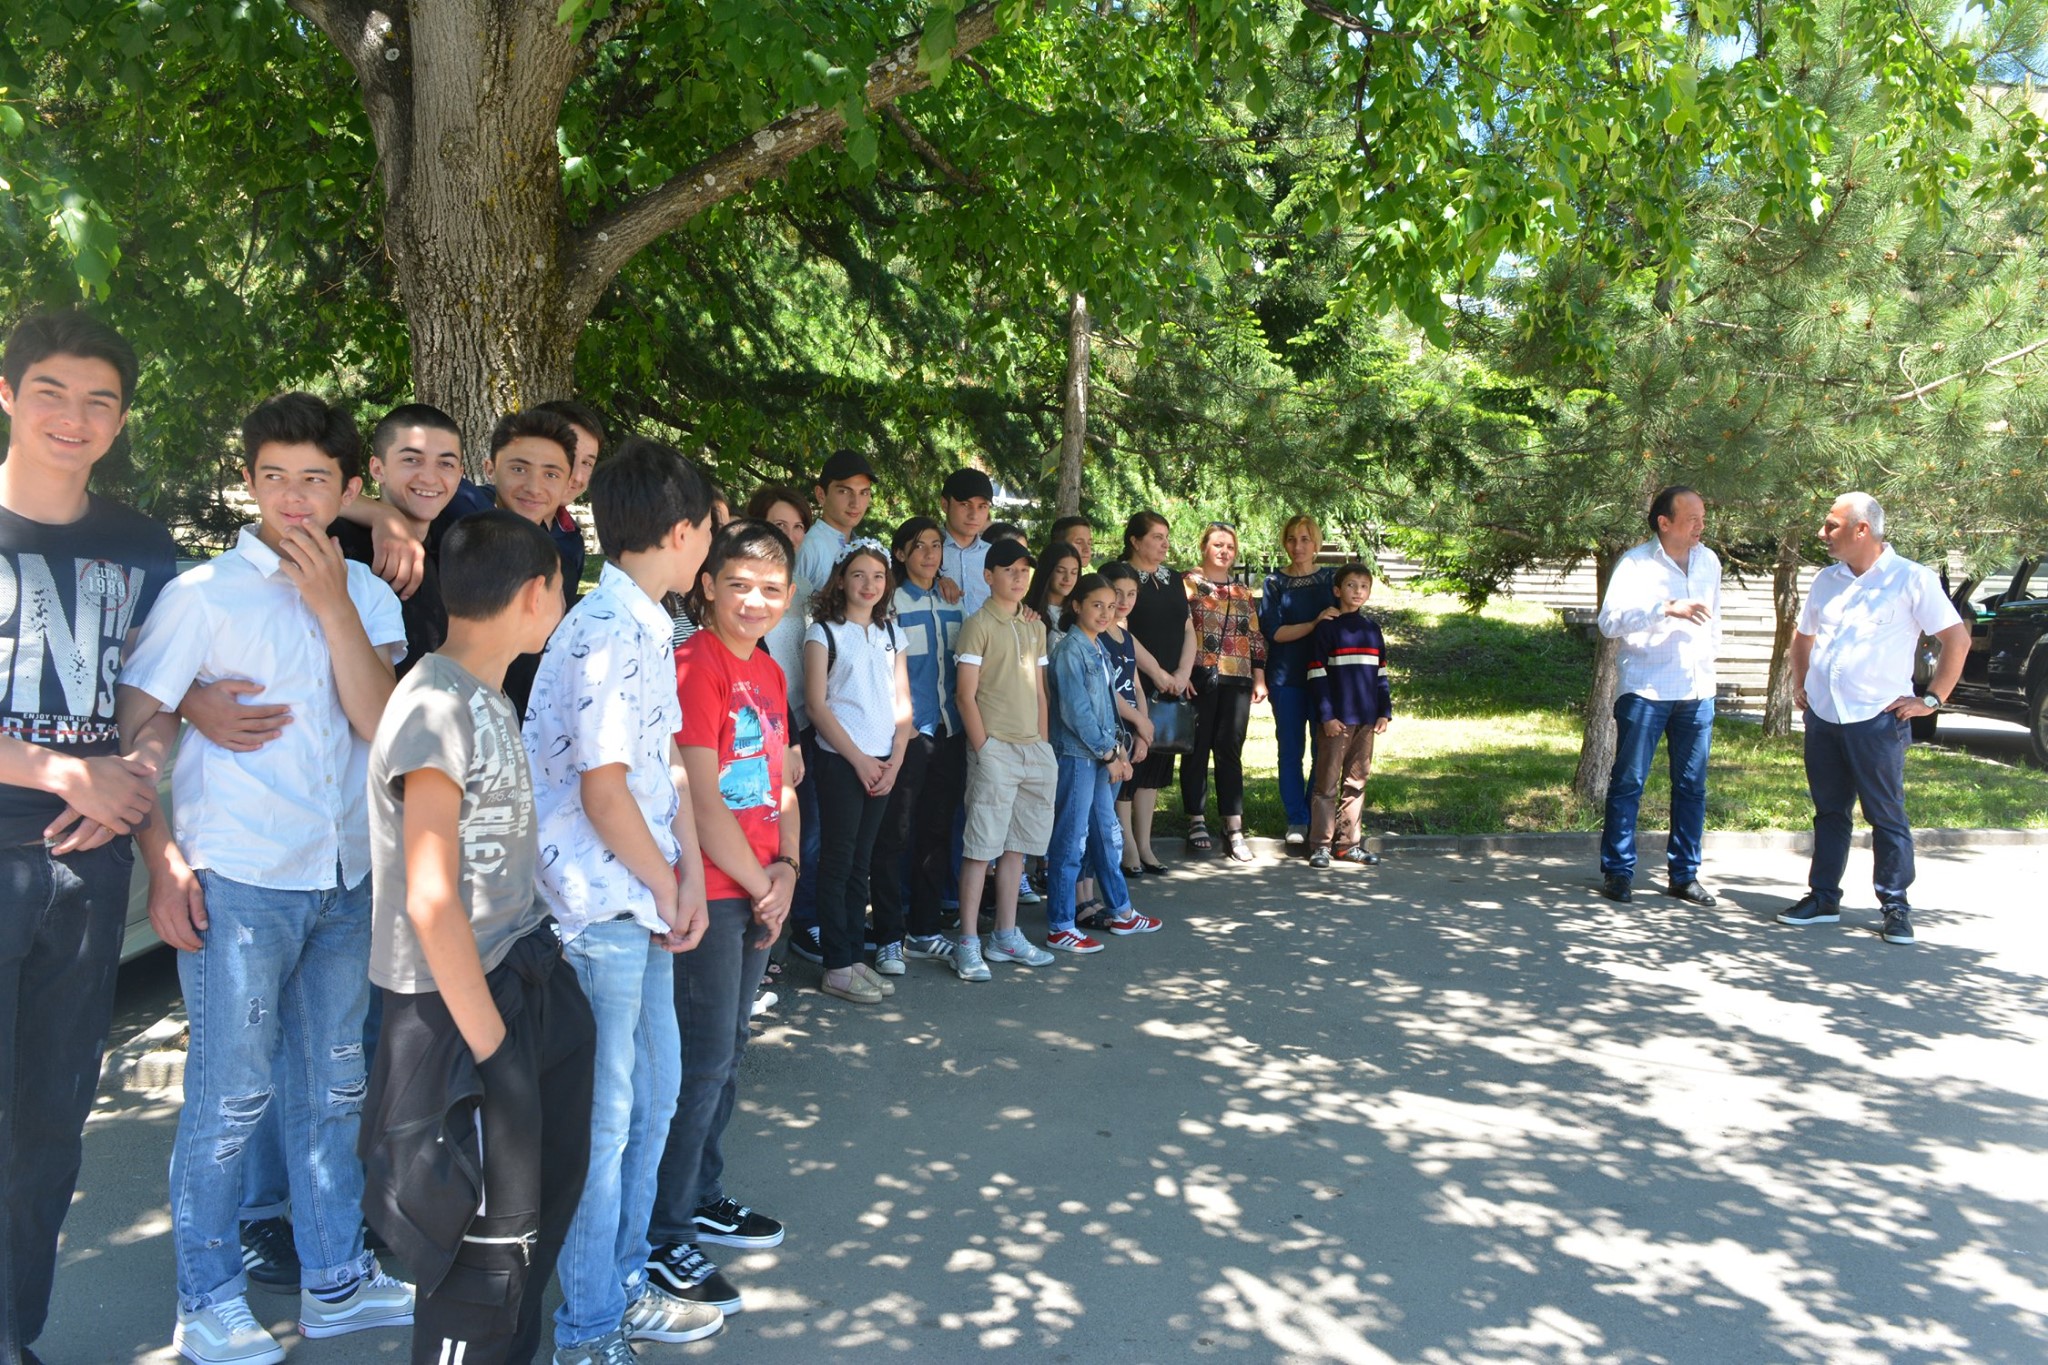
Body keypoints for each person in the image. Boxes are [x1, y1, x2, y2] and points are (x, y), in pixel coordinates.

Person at [120, 392, 412, 1364]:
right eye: (274, 477)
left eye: (315, 480)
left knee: (332, 1086)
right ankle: (206, 1298)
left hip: (344, 875)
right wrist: (162, 860)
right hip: (239, 877)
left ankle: (335, 1280)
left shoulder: (366, 594)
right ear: (249, 481)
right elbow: (137, 726)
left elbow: (380, 723)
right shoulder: (202, 595)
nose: (293, 499)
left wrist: (331, 605)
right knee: (230, 1096)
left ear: (349, 488)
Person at [359, 511, 623, 1365]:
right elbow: (430, 898)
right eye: (563, 590)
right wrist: (495, 1050)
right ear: (536, 592)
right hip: (458, 1013)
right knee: (481, 1248)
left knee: (535, 1225)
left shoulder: (488, 695)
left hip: (525, 975)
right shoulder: (434, 703)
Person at [0, 311, 181, 1365]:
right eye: (52, 392)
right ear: (8, 394)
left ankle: (15, 1332)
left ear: (119, 420)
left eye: (99, 401)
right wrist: (67, 770)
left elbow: (151, 701)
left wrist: (140, 773)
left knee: (49, 1126)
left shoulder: (140, 545)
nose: (74, 418)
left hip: (88, 868)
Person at [519, 437, 720, 1362]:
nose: (709, 548)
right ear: (681, 532)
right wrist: (671, 882)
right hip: (597, 908)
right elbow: (604, 793)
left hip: (638, 899)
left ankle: (622, 1283)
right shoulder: (606, 629)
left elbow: (656, 772)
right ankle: (588, 1323)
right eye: (707, 532)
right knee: (606, 1122)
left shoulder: (647, 625)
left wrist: (681, 877)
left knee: (654, 1096)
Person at [647, 519, 799, 1315]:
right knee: (698, 1060)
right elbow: (700, 799)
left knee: (728, 1051)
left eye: (770, 588)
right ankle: (662, 1230)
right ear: (706, 586)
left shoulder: (768, 671)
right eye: (738, 583)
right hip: (711, 890)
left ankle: (701, 1194)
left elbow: (780, 783)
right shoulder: (694, 664)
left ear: (790, 596)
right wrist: (759, 883)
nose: (753, 600)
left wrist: (787, 870)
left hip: (758, 884)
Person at [1777, 492, 1968, 946]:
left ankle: (1895, 906)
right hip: (1825, 719)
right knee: (1829, 812)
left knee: (1885, 815)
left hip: (1876, 721)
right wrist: (1801, 684)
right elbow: (1803, 638)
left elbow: (1957, 640)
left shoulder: (1911, 579)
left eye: (1831, 525)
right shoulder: (1827, 580)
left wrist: (1932, 699)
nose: (1822, 534)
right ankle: (1823, 898)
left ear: (1861, 530)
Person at [1594, 486, 1724, 906]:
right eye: (1692, 520)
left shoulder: (1709, 561)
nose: (1701, 527)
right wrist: (1662, 609)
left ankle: (1684, 875)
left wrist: (1710, 664)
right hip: (1646, 690)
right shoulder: (1635, 564)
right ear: (1664, 522)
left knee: (1692, 787)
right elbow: (1609, 622)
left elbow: (1714, 621)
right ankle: (1618, 872)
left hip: (1697, 691)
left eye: (1703, 518)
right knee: (1629, 782)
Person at [803, 539, 912, 1003]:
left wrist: (895, 760)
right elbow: (816, 706)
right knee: (838, 861)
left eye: (878, 576)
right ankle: (836, 965)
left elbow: (903, 704)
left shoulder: (892, 633)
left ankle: (852, 957)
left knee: (860, 865)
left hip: (884, 763)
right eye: (859, 575)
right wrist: (859, 760)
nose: (869, 584)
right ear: (842, 579)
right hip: (841, 761)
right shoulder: (822, 633)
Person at [951, 539, 1059, 979]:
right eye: (1009, 570)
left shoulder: (1034, 626)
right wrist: (986, 749)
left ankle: (1005, 936)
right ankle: (967, 942)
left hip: (1034, 751)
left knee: (1017, 849)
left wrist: (1043, 745)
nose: (1018, 578)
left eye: (1024, 570)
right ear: (988, 576)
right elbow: (965, 695)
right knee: (981, 849)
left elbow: (1040, 692)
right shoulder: (977, 625)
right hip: (995, 750)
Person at [1046, 575, 1160, 952]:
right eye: (1097, 605)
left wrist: (1119, 751)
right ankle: (1060, 925)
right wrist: (1109, 754)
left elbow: (1109, 703)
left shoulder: (1098, 647)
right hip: (1078, 757)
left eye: (1110, 607)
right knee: (1071, 841)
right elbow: (1076, 713)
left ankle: (1121, 911)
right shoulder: (1070, 650)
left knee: (1107, 836)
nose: (1105, 613)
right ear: (1076, 605)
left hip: (1102, 755)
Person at [743, 484, 816, 1010]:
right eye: (778, 525)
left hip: (793, 720)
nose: (789, 535)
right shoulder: (749, 593)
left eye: (797, 527)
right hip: (760, 725)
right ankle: (759, 949)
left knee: (794, 839)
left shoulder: (803, 586)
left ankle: (777, 939)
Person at [885, 516, 966, 965]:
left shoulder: (954, 601)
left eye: (936, 545)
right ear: (901, 553)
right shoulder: (890, 602)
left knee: (937, 832)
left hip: (949, 731)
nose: (930, 553)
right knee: (895, 833)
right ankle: (889, 932)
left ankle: (925, 929)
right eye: (919, 546)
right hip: (908, 735)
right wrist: (904, 727)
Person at [1114, 511, 1195, 873]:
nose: (1165, 544)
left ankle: (1145, 845)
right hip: (1134, 681)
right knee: (1131, 763)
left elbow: (1188, 628)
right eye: (1156, 537)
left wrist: (1181, 673)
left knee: (1156, 766)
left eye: (1166, 537)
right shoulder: (1119, 576)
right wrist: (1157, 673)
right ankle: (1127, 847)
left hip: (1170, 687)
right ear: (1135, 540)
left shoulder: (1173, 578)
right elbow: (1120, 631)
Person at [1181, 522, 1266, 864]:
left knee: (1230, 749)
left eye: (1230, 546)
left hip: (1238, 677)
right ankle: (1196, 818)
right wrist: (1181, 673)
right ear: (1204, 546)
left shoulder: (1242, 591)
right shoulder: (1187, 584)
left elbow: (1255, 637)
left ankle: (1233, 826)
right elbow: (1177, 630)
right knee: (1197, 748)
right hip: (1199, 676)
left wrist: (1259, 677)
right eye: (1217, 545)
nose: (1224, 551)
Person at [1305, 564, 1393, 870]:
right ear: (1337, 590)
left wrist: (1384, 712)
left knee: (1356, 783)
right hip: (1337, 721)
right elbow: (1316, 674)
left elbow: (1381, 674)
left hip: (1366, 720)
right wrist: (1326, 716)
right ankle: (1320, 845)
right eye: (1351, 585)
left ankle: (1348, 845)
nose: (1357, 591)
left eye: (1364, 586)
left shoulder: (1372, 630)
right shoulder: (1327, 629)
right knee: (1326, 784)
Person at [1259, 516, 1336, 848]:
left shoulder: (1331, 580)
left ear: (1316, 543)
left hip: (1325, 680)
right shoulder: (1274, 583)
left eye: (1305, 539)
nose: (1298, 546)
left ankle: (1315, 813)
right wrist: (1315, 623)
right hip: (1286, 677)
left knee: (1324, 750)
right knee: (1290, 750)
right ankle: (1297, 818)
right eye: (1291, 539)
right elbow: (1274, 632)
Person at [1099, 563, 1159, 883]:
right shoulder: (1097, 637)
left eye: (1131, 594)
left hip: (1130, 728)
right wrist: (1138, 721)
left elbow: (1135, 686)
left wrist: (1143, 728)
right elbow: (1108, 691)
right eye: (1117, 593)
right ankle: (1118, 860)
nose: (1124, 601)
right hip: (1109, 730)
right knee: (1107, 803)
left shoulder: (1125, 636)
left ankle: (1132, 853)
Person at [790, 448, 874, 589]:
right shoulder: (810, 548)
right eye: (844, 491)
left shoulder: (861, 547)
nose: (856, 503)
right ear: (821, 495)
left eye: (863, 493)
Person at [937, 468, 995, 616]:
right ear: (944, 505)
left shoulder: (995, 555)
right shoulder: (927, 551)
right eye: (965, 504)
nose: (974, 515)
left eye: (982, 506)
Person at [1025, 541, 1083, 642]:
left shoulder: (1080, 612)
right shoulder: (1029, 613)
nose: (1067, 578)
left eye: (1074, 572)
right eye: (1060, 571)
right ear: (1047, 571)